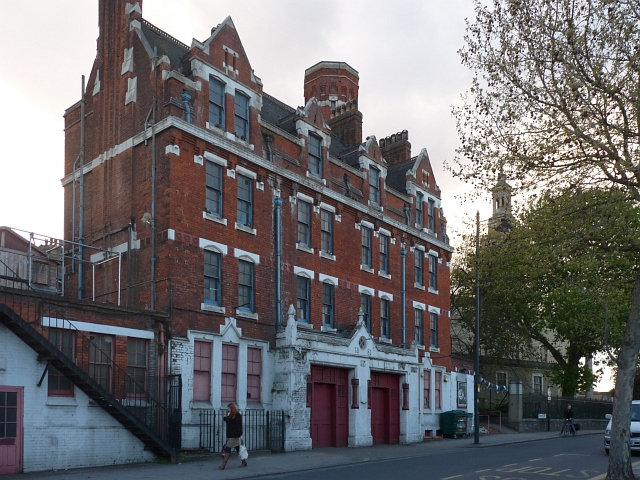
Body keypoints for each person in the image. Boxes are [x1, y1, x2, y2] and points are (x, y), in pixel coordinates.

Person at [219, 403, 247, 469]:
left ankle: (223, 464)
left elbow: (239, 426)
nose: (228, 409)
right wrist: (227, 436)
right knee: (238, 449)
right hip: (230, 435)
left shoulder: (238, 416)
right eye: (228, 408)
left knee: (228, 448)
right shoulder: (229, 415)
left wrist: (240, 434)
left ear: (232, 408)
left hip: (235, 435)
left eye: (229, 408)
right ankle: (244, 461)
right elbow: (228, 425)